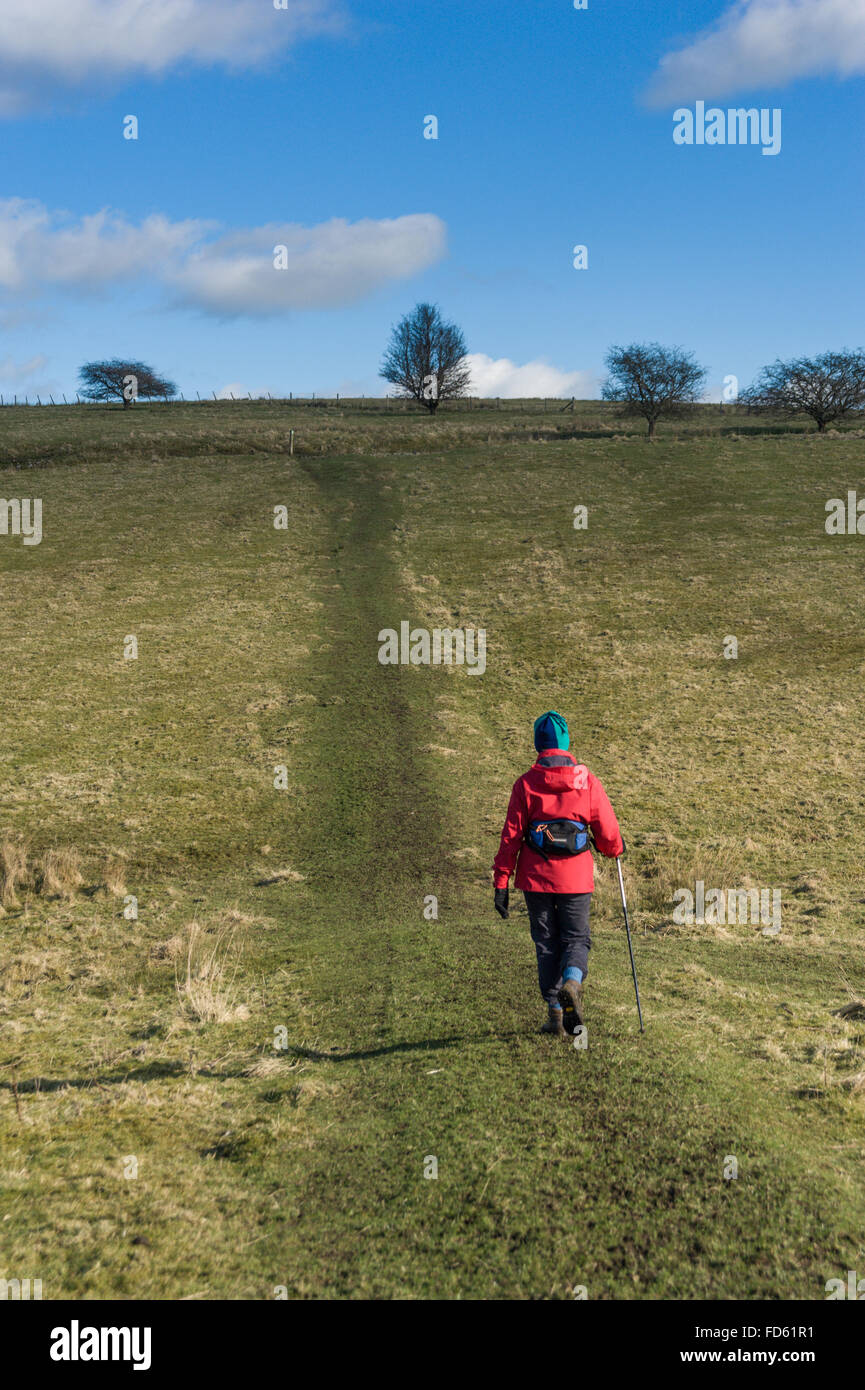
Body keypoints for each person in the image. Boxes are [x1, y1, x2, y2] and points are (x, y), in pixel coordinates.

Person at [492, 710, 624, 1036]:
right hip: (576, 879)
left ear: (538, 744)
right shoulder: (588, 782)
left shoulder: (525, 785)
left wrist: (501, 881)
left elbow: (510, 837)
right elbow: (607, 832)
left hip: (536, 879)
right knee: (576, 938)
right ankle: (573, 983)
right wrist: (615, 849)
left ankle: (555, 1015)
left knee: (547, 943)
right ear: (566, 743)